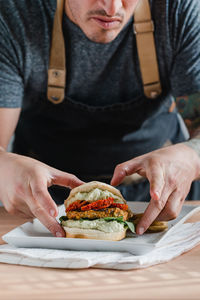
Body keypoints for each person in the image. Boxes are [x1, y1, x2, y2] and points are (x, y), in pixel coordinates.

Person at [0, 0, 200, 237]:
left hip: (161, 201)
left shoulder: (177, 10)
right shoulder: (15, 14)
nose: (112, 8)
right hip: (38, 207)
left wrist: (191, 156)